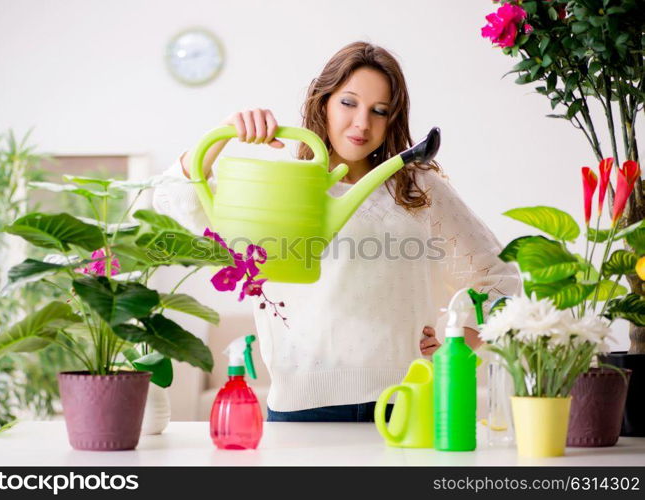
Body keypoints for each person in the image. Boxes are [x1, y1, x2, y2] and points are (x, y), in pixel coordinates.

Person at [153, 41, 520, 422]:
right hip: (302, 409)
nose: (362, 123)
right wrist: (226, 132)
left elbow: (499, 275)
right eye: (349, 103)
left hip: (409, 401)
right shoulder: (280, 182)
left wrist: (462, 339)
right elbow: (169, 200)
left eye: (379, 111)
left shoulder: (417, 188)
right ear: (322, 101)